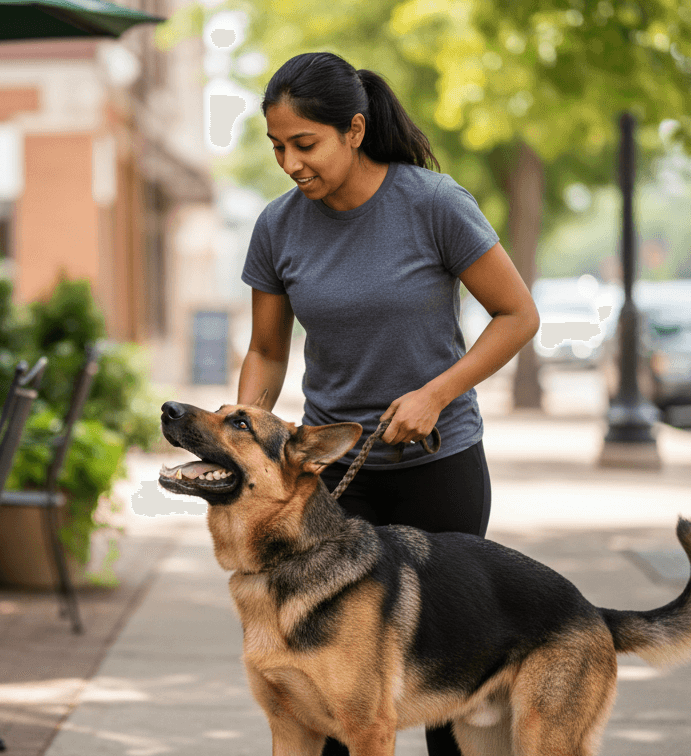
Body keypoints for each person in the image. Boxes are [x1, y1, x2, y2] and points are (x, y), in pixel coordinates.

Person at [236, 51, 541, 756]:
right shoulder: (277, 228)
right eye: (277, 146)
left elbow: (516, 315)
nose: (289, 163)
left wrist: (438, 392)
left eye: (303, 144)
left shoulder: (433, 203)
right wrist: (247, 437)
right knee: (335, 689)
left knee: (444, 696)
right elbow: (269, 351)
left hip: (442, 467)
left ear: (354, 129)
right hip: (336, 483)